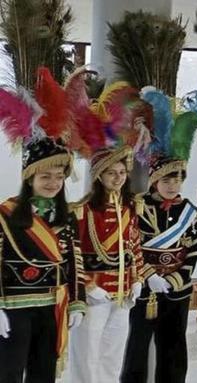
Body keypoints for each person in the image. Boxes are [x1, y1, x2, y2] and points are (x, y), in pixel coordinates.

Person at [0, 93, 85, 382]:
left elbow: (75, 260)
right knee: (9, 373)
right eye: (45, 177)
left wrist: (76, 301)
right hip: (13, 308)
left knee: (44, 373)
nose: (53, 183)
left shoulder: (67, 215)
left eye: (59, 177)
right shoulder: (5, 214)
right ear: (30, 177)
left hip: (51, 306)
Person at [122, 88, 197, 383]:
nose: (173, 185)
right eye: (167, 179)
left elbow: (193, 249)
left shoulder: (190, 212)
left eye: (178, 178)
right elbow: (133, 248)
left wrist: (175, 278)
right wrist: (147, 276)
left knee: (174, 349)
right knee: (137, 349)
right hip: (144, 290)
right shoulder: (140, 208)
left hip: (177, 290)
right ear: (155, 180)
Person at [70, 146, 151, 383]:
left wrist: (137, 280)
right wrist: (88, 286)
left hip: (122, 293)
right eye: (111, 173)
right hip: (94, 294)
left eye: (122, 172)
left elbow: (134, 246)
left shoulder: (129, 208)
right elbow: (72, 256)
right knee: (87, 355)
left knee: (113, 355)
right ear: (98, 176)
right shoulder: (82, 211)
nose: (118, 178)